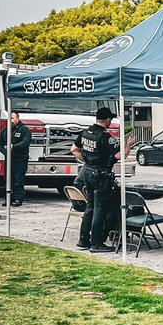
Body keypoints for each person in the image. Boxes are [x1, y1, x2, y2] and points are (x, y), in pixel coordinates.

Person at [70, 107, 135, 253]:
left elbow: (74, 149)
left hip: (87, 172)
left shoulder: (85, 133)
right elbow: (120, 156)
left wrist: (87, 162)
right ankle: (96, 243)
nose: (110, 122)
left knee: (90, 206)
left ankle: (83, 239)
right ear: (106, 120)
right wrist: (128, 145)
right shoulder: (106, 137)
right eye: (110, 119)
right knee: (100, 209)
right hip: (101, 175)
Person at [0, 111, 32, 206]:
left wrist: (14, 146)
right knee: (8, 179)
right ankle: (9, 199)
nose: (11, 120)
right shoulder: (5, 130)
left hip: (20, 159)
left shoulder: (24, 130)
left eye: (13, 118)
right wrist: (5, 152)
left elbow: (25, 142)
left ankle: (18, 199)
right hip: (9, 159)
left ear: (18, 118)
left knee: (18, 180)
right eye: (10, 118)